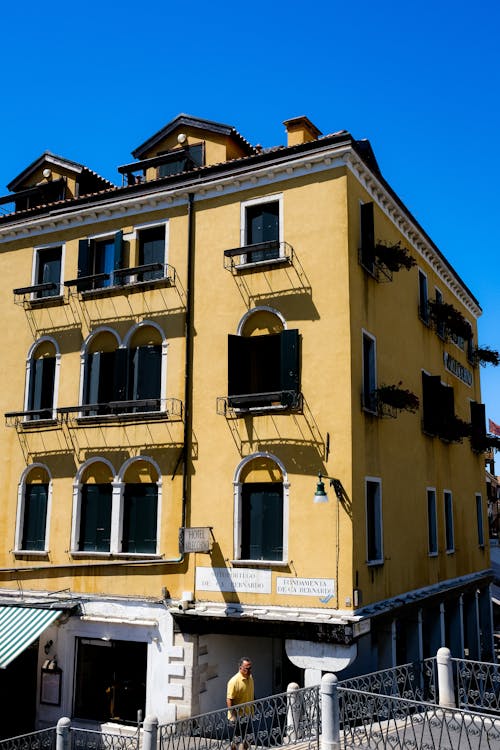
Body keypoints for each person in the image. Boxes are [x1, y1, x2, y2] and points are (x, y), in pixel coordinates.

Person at [227, 657, 254, 722]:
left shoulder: (250, 677)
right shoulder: (234, 681)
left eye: (250, 668)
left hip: (249, 715)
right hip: (238, 718)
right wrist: (233, 717)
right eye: (247, 669)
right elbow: (229, 699)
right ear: (240, 668)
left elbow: (250, 691)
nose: (249, 671)